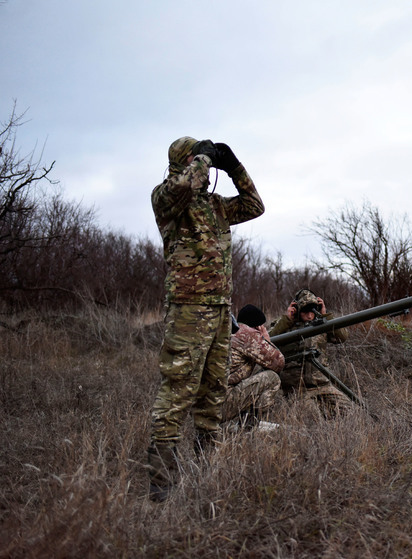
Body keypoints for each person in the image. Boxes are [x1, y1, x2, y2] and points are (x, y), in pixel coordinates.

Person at [147, 136, 265, 502]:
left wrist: (234, 167)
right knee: (178, 390)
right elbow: (182, 184)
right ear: (185, 162)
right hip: (187, 309)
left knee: (213, 393)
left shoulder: (215, 206)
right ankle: (162, 484)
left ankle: (205, 471)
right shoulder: (167, 199)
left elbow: (254, 206)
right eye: (199, 161)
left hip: (218, 311)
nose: (206, 166)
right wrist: (202, 157)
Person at [268, 288, 352, 418]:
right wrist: (287, 320)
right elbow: (267, 340)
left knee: (349, 411)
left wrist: (326, 315)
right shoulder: (284, 325)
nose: (309, 316)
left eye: (312, 311)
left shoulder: (321, 324)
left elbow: (342, 337)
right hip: (297, 388)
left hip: (322, 385)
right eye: (305, 311)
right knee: (311, 417)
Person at [222, 304, 284, 428]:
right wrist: (266, 340)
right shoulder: (248, 334)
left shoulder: (229, 330)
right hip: (222, 405)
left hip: (208, 403)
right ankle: (248, 426)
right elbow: (278, 363)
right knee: (272, 378)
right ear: (257, 326)